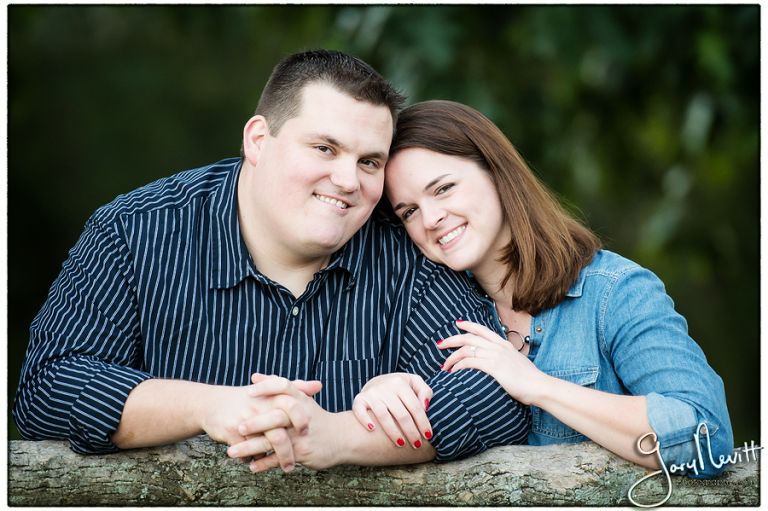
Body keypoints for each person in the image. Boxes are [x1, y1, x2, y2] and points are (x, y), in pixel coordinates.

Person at [13, 51, 529, 473]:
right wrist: (212, 407)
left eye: (369, 161)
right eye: (325, 148)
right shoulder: (134, 232)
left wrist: (334, 435)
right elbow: (49, 387)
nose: (349, 181)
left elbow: (496, 397)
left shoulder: (404, 249)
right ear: (259, 140)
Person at [363, 99, 733, 478]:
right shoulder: (428, 315)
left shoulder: (614, 292)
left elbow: (707, 439)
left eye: (443, 188)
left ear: (496, 172)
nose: (431, 218)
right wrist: (384, 394)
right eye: (408, 211)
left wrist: (537, 386)